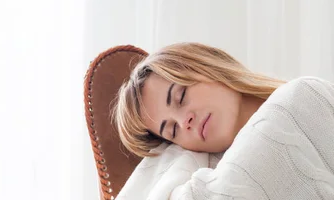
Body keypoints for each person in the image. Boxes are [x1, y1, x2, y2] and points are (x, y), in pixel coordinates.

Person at [113, 42, 285, 157]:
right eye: (173, 131)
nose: (184, 122)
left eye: (180, 97)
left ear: (207, 66)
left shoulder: (303, 95)